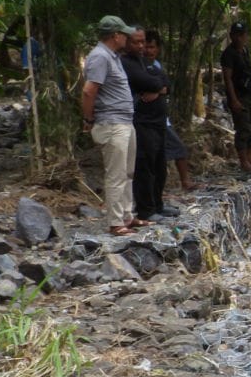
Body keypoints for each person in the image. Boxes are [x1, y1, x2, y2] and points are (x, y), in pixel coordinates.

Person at [81, 15, 143, 236]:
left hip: (124, 121)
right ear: (115, 36)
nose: (127, 38)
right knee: (116, 174)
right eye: (124, 34)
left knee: (127, 171)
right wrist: (88, 119)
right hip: (112, 122)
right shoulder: (100, 57)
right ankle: (116, 222)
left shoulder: (112, 56)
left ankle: (127, 214)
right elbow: (89, 90)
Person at [121, 26, 175, 222]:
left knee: (160, 167)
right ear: (126, 42)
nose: (142, 46)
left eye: (143, 42)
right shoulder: (126, 63)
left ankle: (158, 204)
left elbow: (166, 82)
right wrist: (157, 85)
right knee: (145, 167)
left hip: (158, 122)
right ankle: (146, 209)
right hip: (142, 122)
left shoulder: (148, 63)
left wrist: (159, 88)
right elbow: (149, 82)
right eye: (137, 42)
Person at [145, 32, 197, 191]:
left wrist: (160, 90)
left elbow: (166, 87)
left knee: (176, 149)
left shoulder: (157, 66)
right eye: (146, 47)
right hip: (148, 119)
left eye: (151, 47)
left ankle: (182, 183)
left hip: (160, 118)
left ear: (158, 49)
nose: (148, 50)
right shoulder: (139, 66)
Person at [221, 20, 251, 173]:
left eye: (242, 35)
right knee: (243, 129)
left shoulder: (244, 51)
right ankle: (243, 161)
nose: (239, 38)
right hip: (239, 95)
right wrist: (233, 100)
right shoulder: (228, 54)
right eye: (236, 35)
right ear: (232, 36)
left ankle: (250, 155)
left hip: (250, 94)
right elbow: (227, 78)